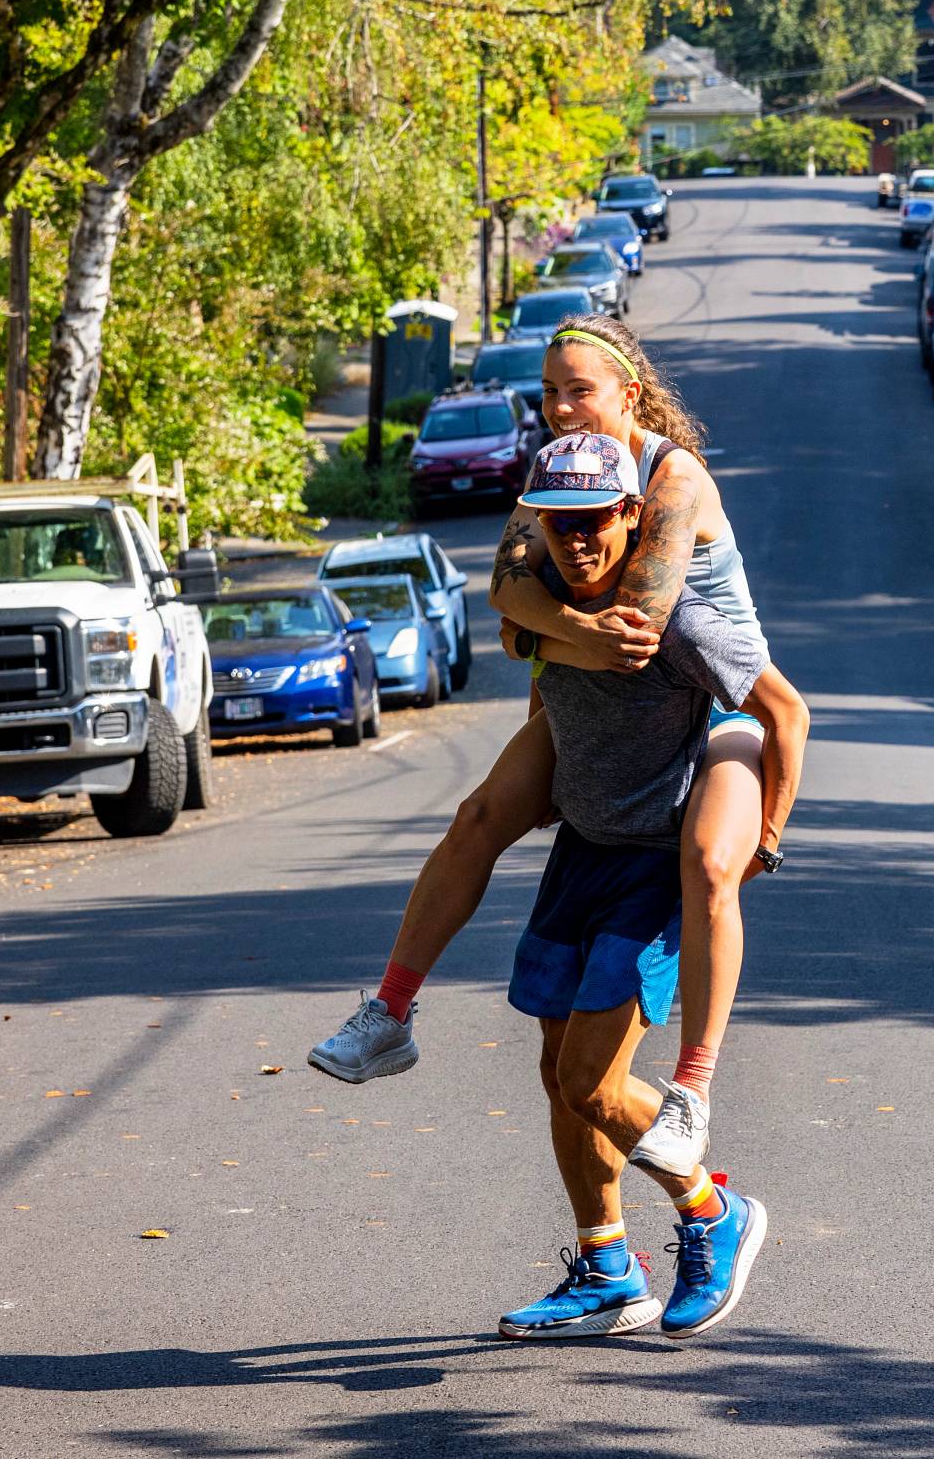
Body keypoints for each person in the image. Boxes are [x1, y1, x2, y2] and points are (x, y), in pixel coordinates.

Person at [310, 316, 781, 1182]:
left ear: (628, 394)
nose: (563, 408)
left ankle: (694, 1085)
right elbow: (504, 587)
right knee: (480, 813)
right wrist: (539, 635)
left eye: (581, 390)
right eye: (550, 393)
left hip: (706, 695)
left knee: (711, 862)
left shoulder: (670, 478)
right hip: (597, 692)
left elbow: (633, 625)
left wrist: (532, 633)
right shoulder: (559, 476)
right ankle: (391, 1012)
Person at [479, 433, 808, 1339]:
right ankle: (607, 1266)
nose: (577, 540)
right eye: (559, 524)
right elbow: (537, 671)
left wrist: (764, 836)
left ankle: (712, 1212)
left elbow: (784, 710)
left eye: (595, 521)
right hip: (578, 853)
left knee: (591, 1077)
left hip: (647, 868)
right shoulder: (543, 601)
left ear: (632, 514)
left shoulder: (676, 620)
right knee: (557, 1073)